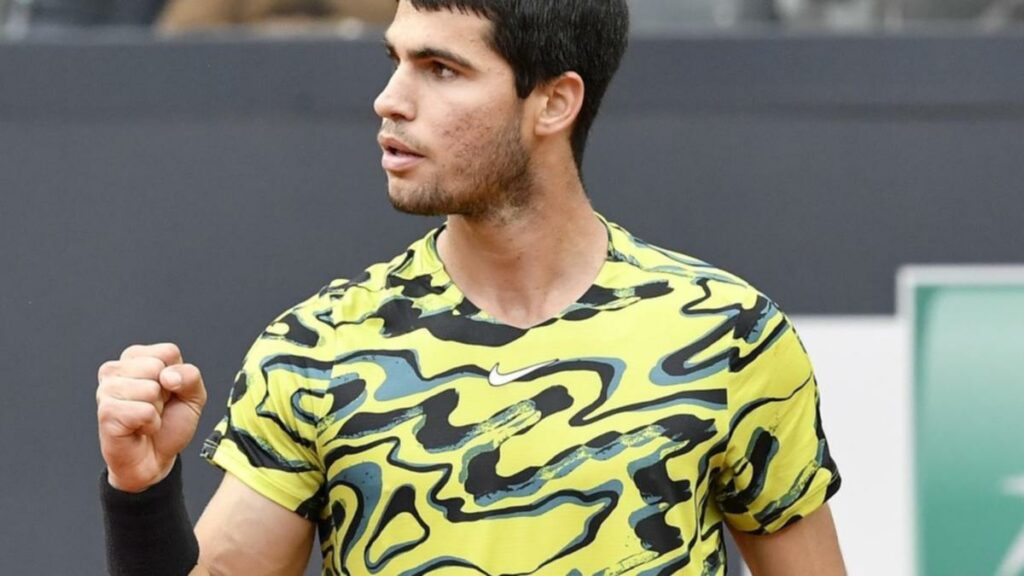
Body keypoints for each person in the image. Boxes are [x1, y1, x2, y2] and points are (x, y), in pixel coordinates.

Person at [95, 1, 845, 574]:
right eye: (395, 60)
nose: (390, 99)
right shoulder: (318, 347)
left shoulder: (727, 334)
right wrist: (141, 492)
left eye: (441, 69)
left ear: (554, 102)